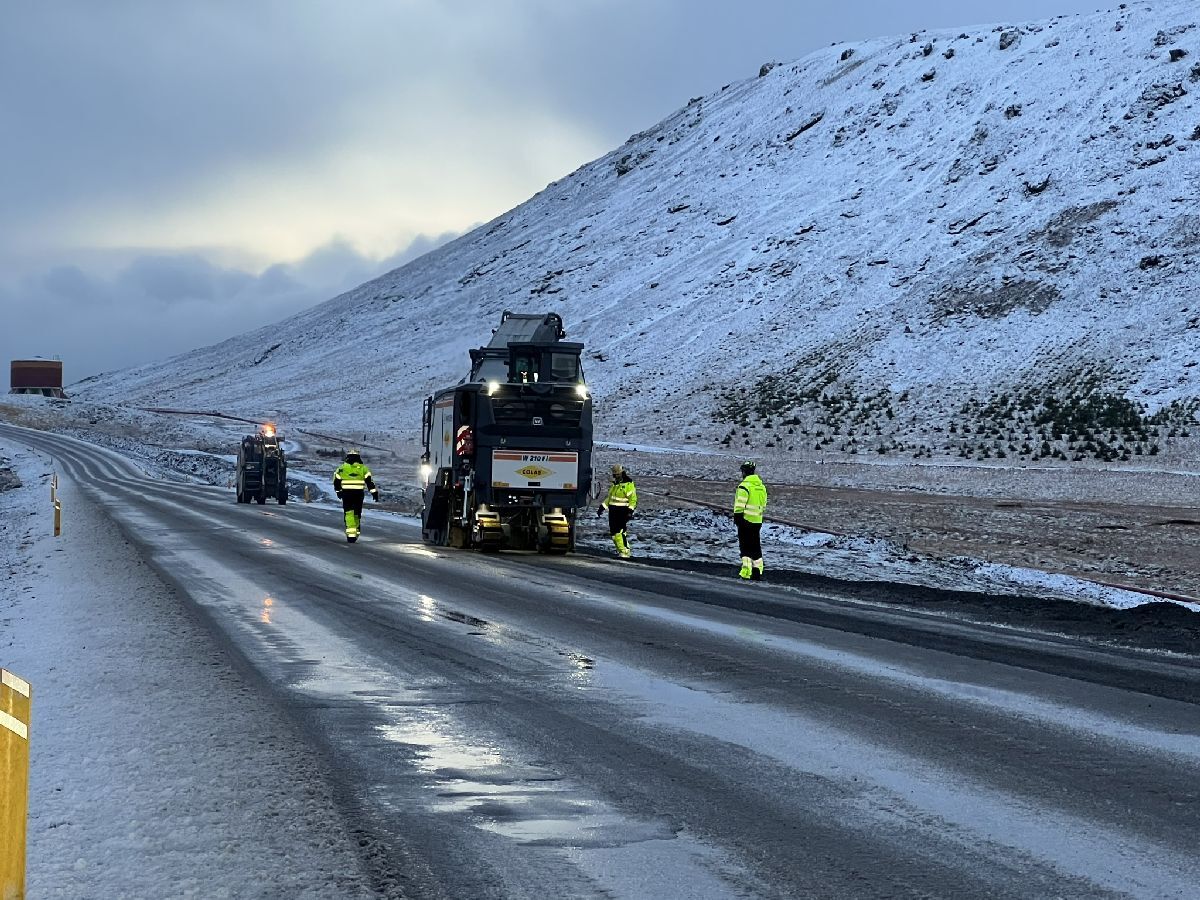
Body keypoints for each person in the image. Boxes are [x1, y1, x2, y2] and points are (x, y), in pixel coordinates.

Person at [332, 450, 379, 543]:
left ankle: (351, 535)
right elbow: (370, 482)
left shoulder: (342, 468)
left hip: (347, 494)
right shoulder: (363, 468)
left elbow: (336, 481)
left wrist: (338, 492)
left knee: (349, 513)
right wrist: (374, 493)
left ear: (347, 457)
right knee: (357, 514)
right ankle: (356, 532)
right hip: (358, 494)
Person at [733, 460, 768, 580]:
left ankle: (746, 572)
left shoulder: (744, 486)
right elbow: (763, 504)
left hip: (745, 520)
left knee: (745, 547)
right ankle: (757, 570)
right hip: (757, 521)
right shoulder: (761, 487)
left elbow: (739, 505)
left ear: (744, 472)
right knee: (755, 546)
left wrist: (737, 518)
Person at [598, 463, 637, 558]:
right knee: (614, 533)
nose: (615, 476)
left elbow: (633, 500)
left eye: (616, 475)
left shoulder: (628, 485)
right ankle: (621, 550)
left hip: (622, 511)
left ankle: (625, 552)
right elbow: (610, 498)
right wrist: (602, 507)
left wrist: (630, 511)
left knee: (619, 532)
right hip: (613, 511)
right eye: (614, 475)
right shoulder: (615, 485)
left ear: (621, 473)